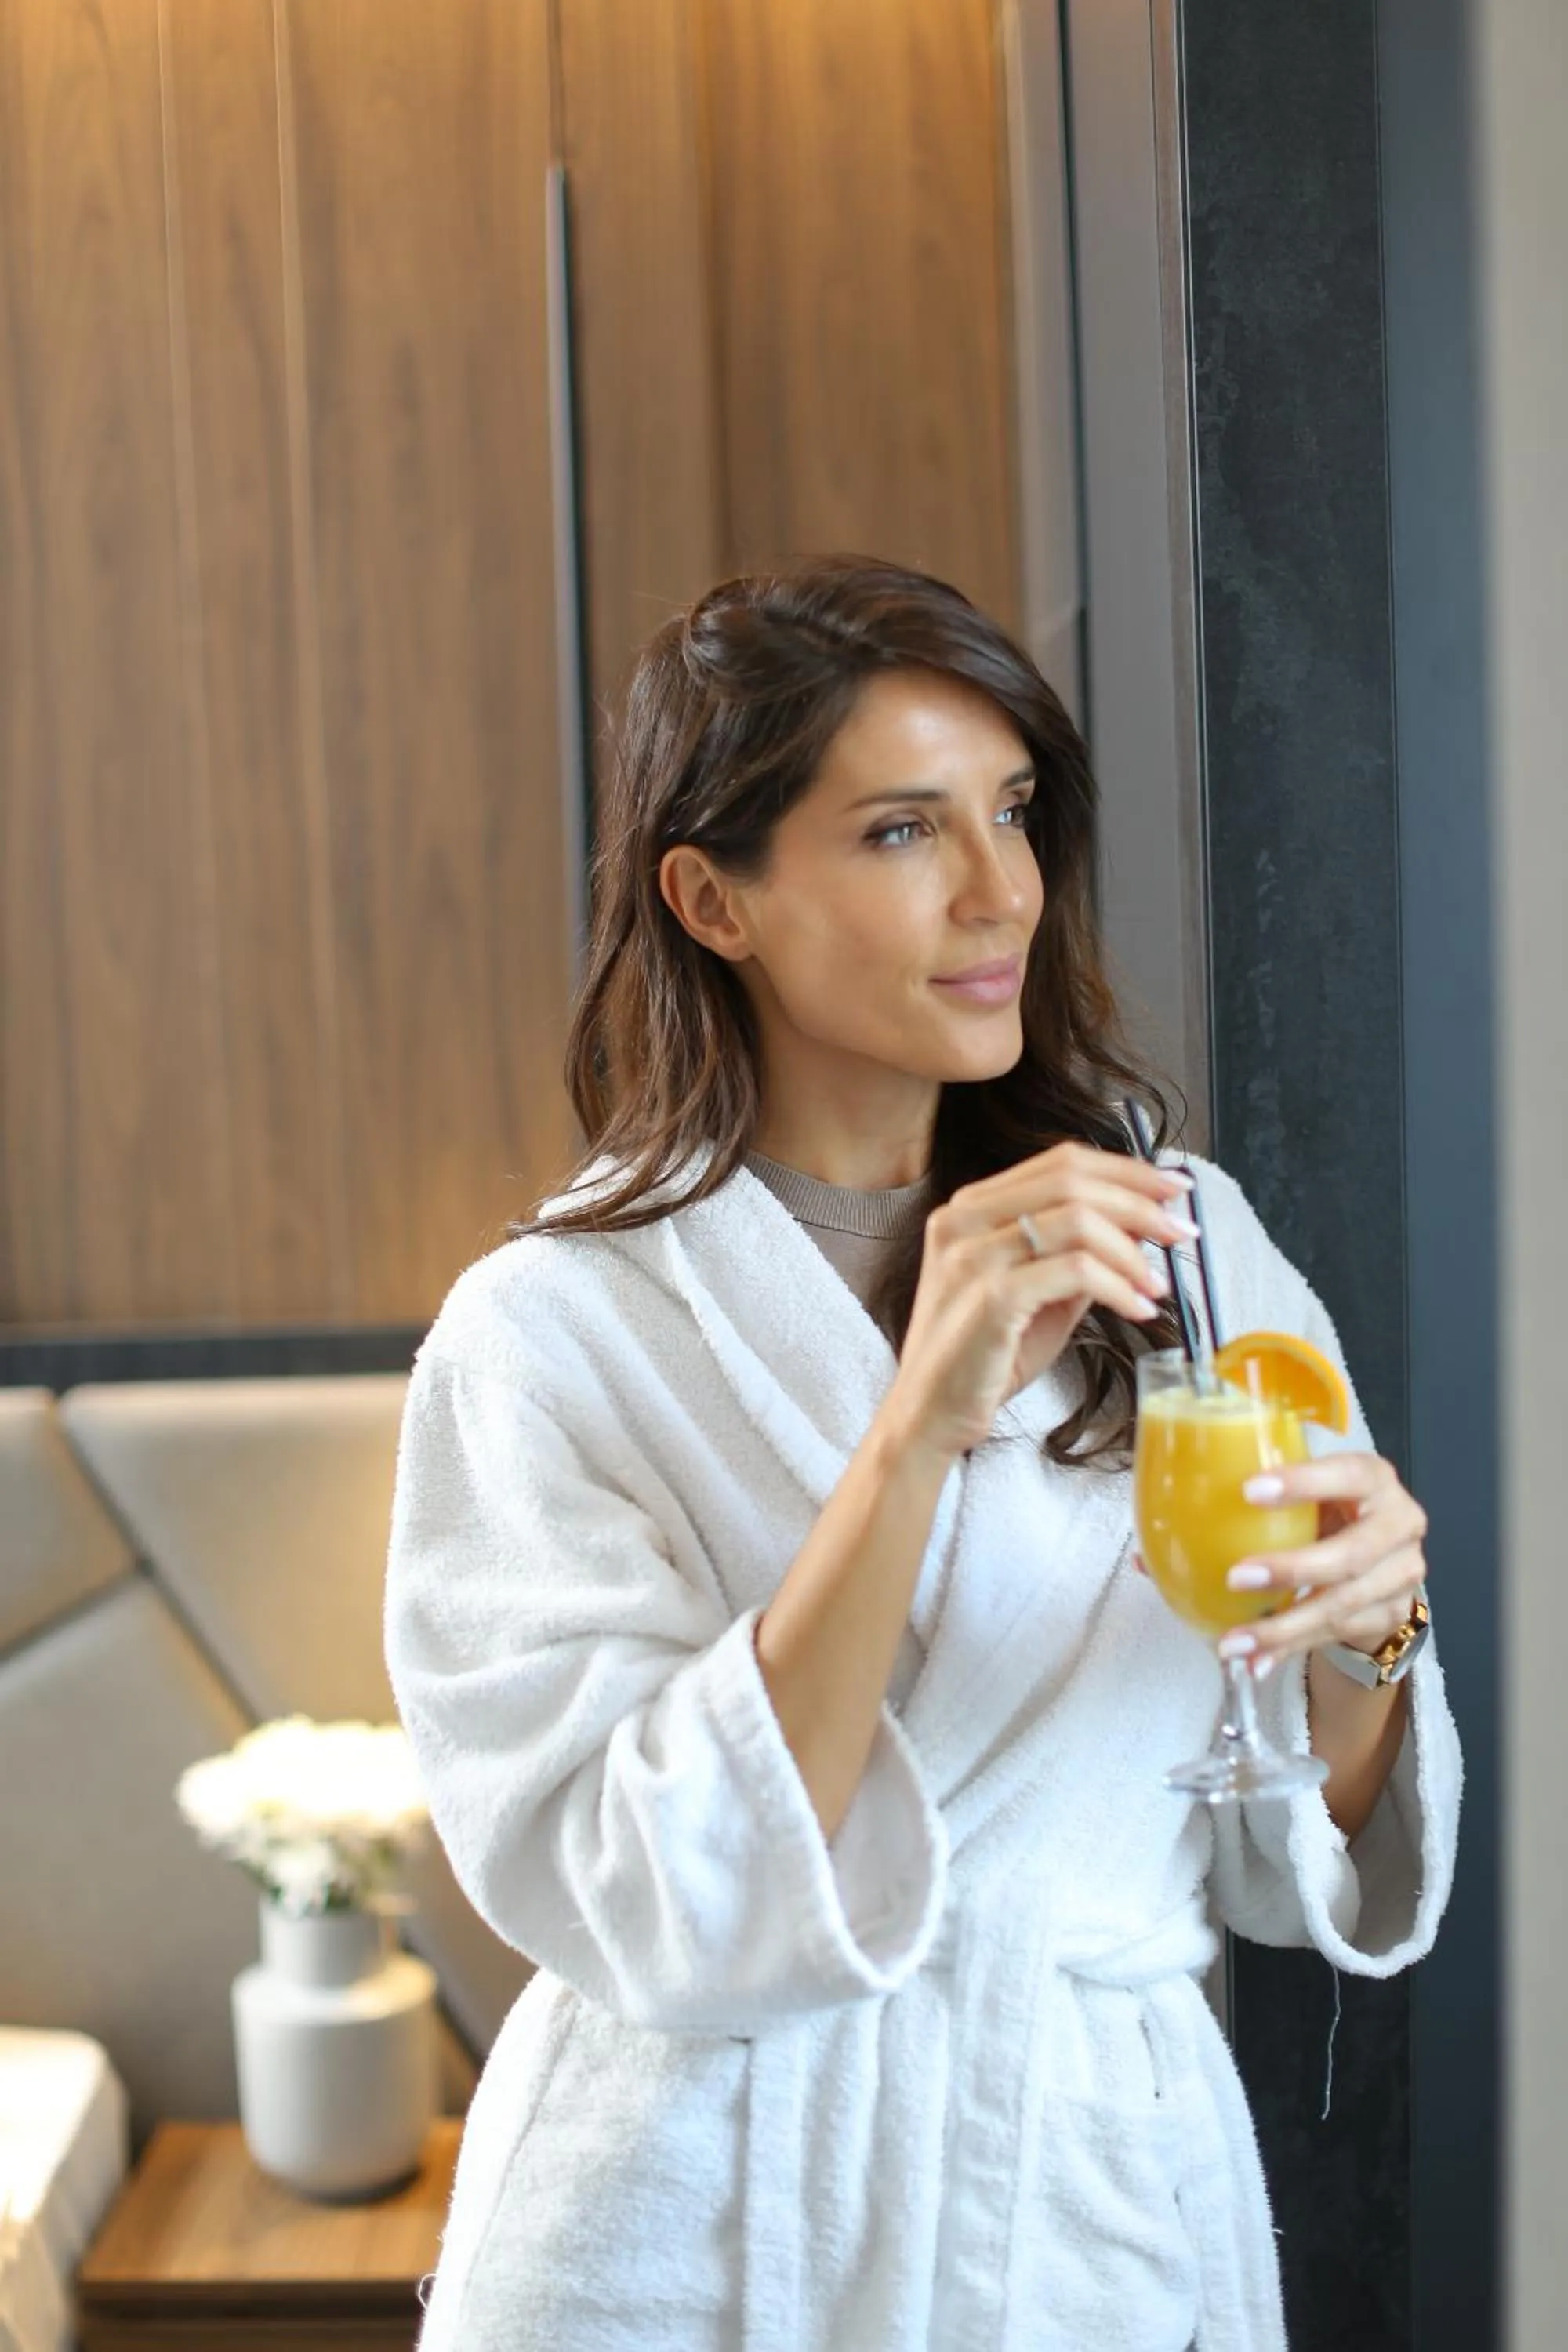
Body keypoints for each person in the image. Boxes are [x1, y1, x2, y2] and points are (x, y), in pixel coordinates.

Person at [383, 556, 1460, 2351]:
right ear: (711, 899)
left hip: (1075, 2221)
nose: (998, 893)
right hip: (683, 2236)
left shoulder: (1180, 1246)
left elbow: (1292, 1853)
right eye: (900, 831)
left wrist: (1373, 1637)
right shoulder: (546, 1336)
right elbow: (634, 1888)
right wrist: (911, 1433)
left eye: (1014, 813)